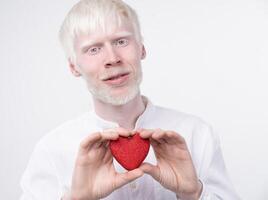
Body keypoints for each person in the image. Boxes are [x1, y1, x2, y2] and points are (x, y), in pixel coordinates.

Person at [20, 0, 240, 199]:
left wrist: (194, 194)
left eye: (121, 41)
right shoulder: (51, 150)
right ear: (73, 66)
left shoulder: (197, 134)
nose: (112, 59)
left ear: (141, 48)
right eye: (94, 49)